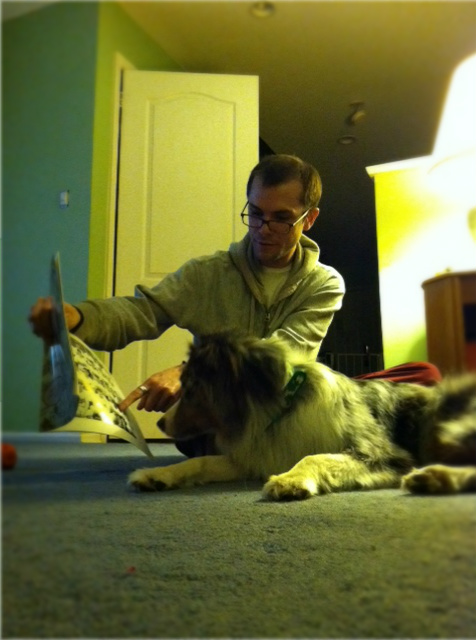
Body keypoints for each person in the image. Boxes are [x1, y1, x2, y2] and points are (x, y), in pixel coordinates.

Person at [29, 154, 346, 453]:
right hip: (216, 426)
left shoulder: (324, 284)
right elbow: (143, 311)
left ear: (309, 219)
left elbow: (283, 357)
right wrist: (79, 317)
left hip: (283, 422)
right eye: (255, 213)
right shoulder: (207, 274)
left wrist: (190, 373)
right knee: (200, 436)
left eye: (281, 218)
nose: (263, 229)